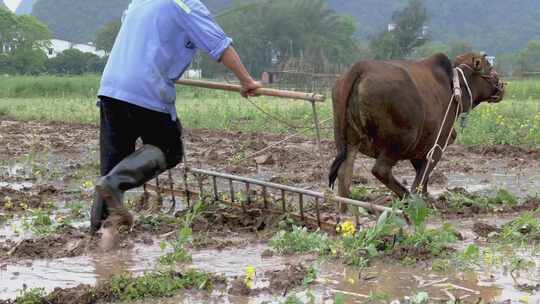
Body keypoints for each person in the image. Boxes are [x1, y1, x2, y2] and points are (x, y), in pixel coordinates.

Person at [90, 0, 262, 233]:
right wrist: (247, 81)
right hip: (146, 88)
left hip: (111, 87)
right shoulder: (185, 4)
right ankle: (114, 184)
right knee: (169, 149)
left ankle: (96, 237)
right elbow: (220, 46)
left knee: (111, 167)